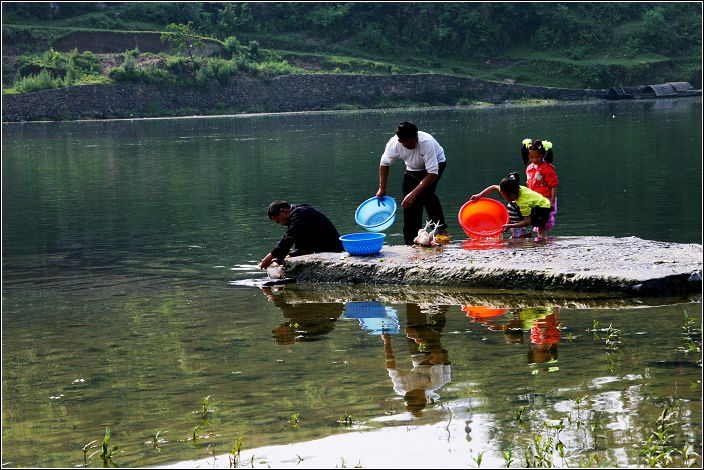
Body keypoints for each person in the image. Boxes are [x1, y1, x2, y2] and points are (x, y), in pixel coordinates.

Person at [376, 121, 449, 245]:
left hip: (436, 165)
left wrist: (413, 194)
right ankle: (411, 240)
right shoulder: (394, 144)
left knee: (426, 195)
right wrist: (382, 188)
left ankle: (442, 231)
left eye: (416, 140)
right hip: (412, 168)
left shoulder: (426, 142)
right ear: (401, 141)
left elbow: (432, 174)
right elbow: (384, 164)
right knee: (408, 204)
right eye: (411, 142)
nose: (415, 144)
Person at [381, 303, 451, 417]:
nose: (409, 394)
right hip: (442, 363)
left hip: (419, 362)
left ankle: (413, 304)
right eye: (413, 397)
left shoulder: (401, 387)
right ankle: (440, 308)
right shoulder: (434, 383)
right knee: (433, 334)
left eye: (408, 397)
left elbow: (390, 364)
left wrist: (386, 340)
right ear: (424, 398)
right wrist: (419, 339)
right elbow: (437, 356)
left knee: (413, 327)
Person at [259, 200, 343, 270]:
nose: (280, 223)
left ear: (283, 211)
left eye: (278, 220)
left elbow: (289, 238)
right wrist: (282, 257)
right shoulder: (297, 214)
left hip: (332, 248)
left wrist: (270, 256)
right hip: (322, 247)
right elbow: (301, 244)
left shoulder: (300, 212)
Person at [469, 172, 553, 240]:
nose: (505, 198)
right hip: (539, 206)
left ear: (512, 194)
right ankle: (521, 232)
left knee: (511, 206)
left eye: (506, 196)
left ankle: (519, 233)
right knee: (512, 205)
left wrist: (510, 225)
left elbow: (527, 221)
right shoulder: (512, 188)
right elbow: (494, 187)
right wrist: (479, 195)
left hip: (542, 211)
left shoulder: (523, 201)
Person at [507, 139, 559, 238]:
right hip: (532, 199)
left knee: (542, 225)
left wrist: (551, 201)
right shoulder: (529, 168)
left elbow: (553, 185)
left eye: (538, 157)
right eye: (531, 157)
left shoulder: (547, 169)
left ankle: (543, 243)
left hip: (545, 200)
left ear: (543, 155)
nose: (534, 160)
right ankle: (522, 233)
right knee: (529, 217)